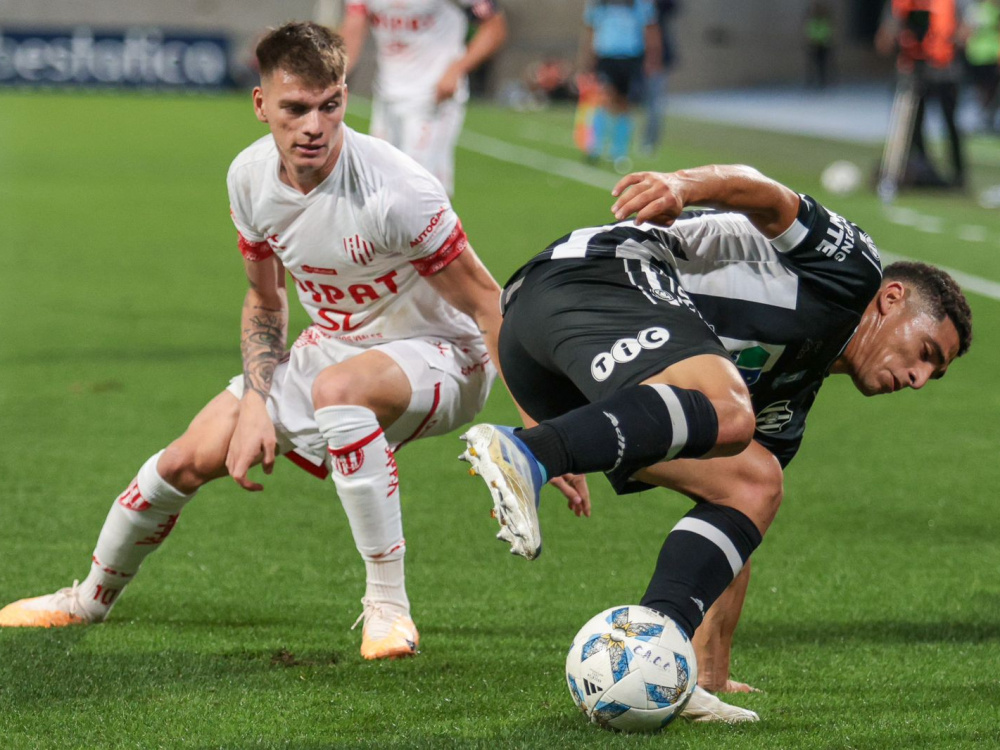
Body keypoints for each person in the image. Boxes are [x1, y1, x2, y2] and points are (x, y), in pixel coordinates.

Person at [0, 22, 504, 662]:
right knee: (183, 460)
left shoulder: (398, 191)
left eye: (330, 105)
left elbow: (488, 303)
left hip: (444, 355)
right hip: (337, 346)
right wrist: (259, 406)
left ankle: (388, 610)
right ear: (262, 105)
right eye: (295, 108)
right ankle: (88, 598)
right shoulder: (248, 179)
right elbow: (266, 298)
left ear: (346, 95)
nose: (314, 126)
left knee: (337, 390)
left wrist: (547, 439)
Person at [460, 164, 972, 722]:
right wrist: (684, 186)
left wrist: (710, 671)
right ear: (892, 300)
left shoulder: (788, 402)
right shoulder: (854, 271)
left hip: (557, 370)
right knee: (732, 414)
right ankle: (530, 452)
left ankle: (666, 659)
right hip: (591, 277)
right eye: (927, 353)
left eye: (934, 375)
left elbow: (737, 533)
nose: (920, 379)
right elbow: (768, 194)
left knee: (754, 484)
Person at [339, 0, 508, 195]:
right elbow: (353, 30)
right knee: (378, 187)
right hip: (386, 96)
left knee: (418, 189)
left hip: (433, 97)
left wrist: (457, 69)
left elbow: (495, 26)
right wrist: (331, 79)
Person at [876, 0, 967, 189]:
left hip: (944, 70)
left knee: (950, 123)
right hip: (912, 71)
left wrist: (945, 39)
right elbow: (885, 38)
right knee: (914, 125)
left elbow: (965, 31)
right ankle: (925, 170)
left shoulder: (951, 3)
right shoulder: (901, 3)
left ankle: (958, 175)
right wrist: (901, 38)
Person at [581, 0, 662, 171]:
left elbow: (650, 31)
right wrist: (587, 58)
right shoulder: (598, 5)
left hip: (630, 59)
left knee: (623, 104)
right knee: (604, 98)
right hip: (606, 57)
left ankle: (618, 151)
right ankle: (594, 146)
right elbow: (590, 31)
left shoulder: (640, 5)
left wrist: (651, 59)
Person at [641, 0, 680, 155]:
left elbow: (673, 7)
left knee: (654, 103)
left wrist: (654, 59)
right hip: (632, 55)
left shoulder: (659, 8)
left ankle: (649, 142)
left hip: (656, 59)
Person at [961, 0, 1000, 131]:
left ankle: (987, 116)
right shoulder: (974, 8)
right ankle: (982, 117)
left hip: (991, 56)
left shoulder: (994, 8)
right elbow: (966, 31)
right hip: (975, 56)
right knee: (979, 89)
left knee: (990, 89)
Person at [804, 1, 834, 89]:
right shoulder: (812, 21)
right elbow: (809, 33)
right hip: (814, 46)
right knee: (813, 65)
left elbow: (828, 33)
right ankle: (812, 81)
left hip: (823, 46)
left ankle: (823, 82)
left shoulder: (824, 21)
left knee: (823, 65)